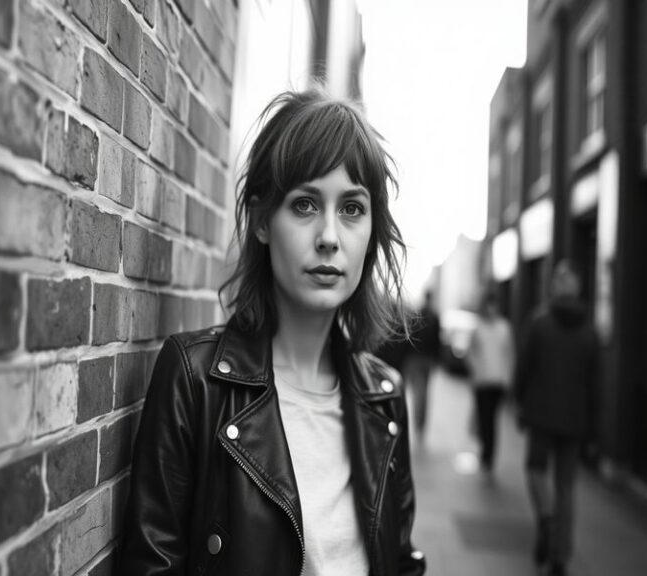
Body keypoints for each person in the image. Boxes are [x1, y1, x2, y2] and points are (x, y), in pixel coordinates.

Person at [119, 88, 426, 576]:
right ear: (263, 220)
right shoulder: (196, 381)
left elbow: (401, 561)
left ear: (371, 233)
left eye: (351, 208)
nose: (329, 236)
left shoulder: (384, 395)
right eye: (305, 205)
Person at [514, 260, 599, 576]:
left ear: (555, 286)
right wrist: (593, 429)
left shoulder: (539, 322)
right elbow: (595, 384)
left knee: (535, 471)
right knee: (567, 487)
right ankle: (560, 556)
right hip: (575, 421)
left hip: (541, 414)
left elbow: (524, 368)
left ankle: (546, 520)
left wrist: (520, 401)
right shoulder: (590, 332)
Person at [466, 291, 515, 473]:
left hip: (498, 382)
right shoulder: (478, 327)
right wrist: (475, 370)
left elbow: (510, 355)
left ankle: (488, 455)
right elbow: (470, 352)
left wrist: (509, 379)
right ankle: (486, 453)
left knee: (491, 420)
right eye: (489, 304)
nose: (491, 308)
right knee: (484, 418)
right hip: (482, 380)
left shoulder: (504, 327)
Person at [404, 290, 440, 438]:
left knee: (419, 393)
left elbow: (409, 339)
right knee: (422, 393)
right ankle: (420, 423)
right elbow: (438, 341)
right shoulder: (433, 317)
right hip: (423, 360)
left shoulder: (419, 315)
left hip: (418, 359)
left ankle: (419, 423)